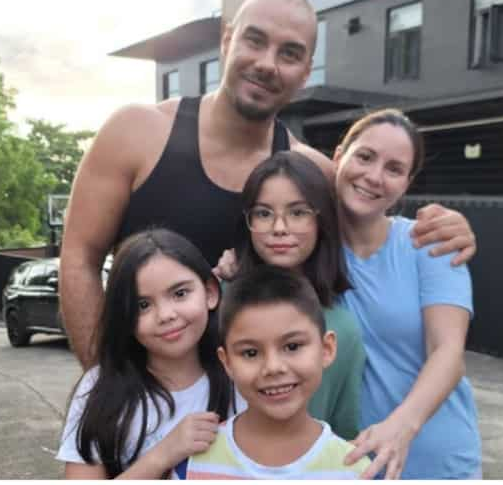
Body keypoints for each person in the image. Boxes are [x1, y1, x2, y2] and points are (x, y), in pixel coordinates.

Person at [60, 0, 478, 369]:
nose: (266, 64)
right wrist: (106, 385)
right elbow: (79, 258)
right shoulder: (136, 132)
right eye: (255, 41)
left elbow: (374, 231)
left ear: (305, 70)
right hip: (141, 405)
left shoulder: (313, 175)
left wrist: (451, 229)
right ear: (227, 41)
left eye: (289, 53)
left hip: (254, 419)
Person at [332, 110, 481, 479]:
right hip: (350, 462)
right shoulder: (307, 248)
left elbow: (448, 352)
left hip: (435, 457)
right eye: (365, 157)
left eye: (394, 168)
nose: (373, 176)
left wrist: (400, 428)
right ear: (338, 157)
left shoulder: (431, 244)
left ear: (406, 183)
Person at [55, 229, 244, 479]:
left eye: (180, 293)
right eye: (142, 305)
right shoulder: (99, 388)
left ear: (209, 292)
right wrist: (163, 455)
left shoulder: (241, 378)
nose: (166, 315)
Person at [185, 266, 370, 479]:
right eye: (251, 353)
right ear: (226, 362)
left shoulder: (355, 471)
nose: (273, 367)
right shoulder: (194, 463)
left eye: (292, 347)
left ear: (326, 349)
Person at [231, 150, 363, 440]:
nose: (279, 228)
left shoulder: (343, 328)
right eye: (263, 214)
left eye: (298, 212)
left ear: (321, 220)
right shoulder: (216, 304)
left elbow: (343, 433)